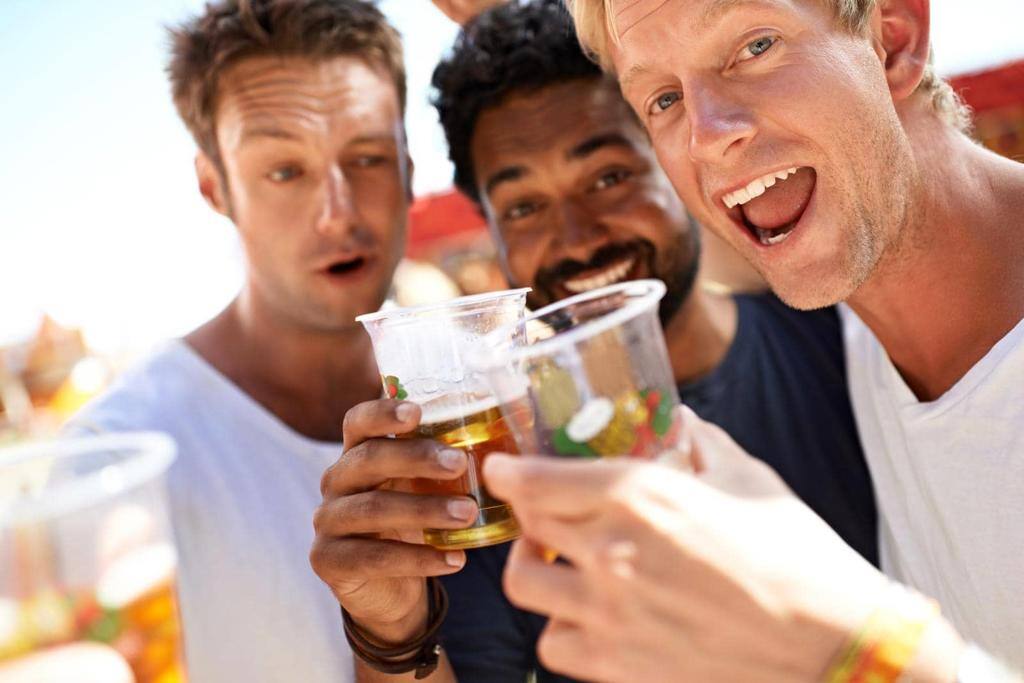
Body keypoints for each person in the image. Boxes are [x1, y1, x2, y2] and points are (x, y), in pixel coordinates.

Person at [309, 1, 877, 680]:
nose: (577, 236)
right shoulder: (490, 478)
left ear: (676, 155)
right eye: (524, 207)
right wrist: (390, 627)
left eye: (608, 176)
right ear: (491, 232)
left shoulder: (848, 344)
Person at [476, 0, 1024, 679]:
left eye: (756, 46)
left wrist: (851, 648)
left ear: (892, 38)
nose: (707, 135)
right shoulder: (847, 307)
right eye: (664, 98)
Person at [68, 1, 411, 680]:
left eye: (368, 156)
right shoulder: (115, 464)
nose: (337, 211)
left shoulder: (487, 383)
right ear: (214, 187)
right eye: (285, 171)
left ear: (407, 160)